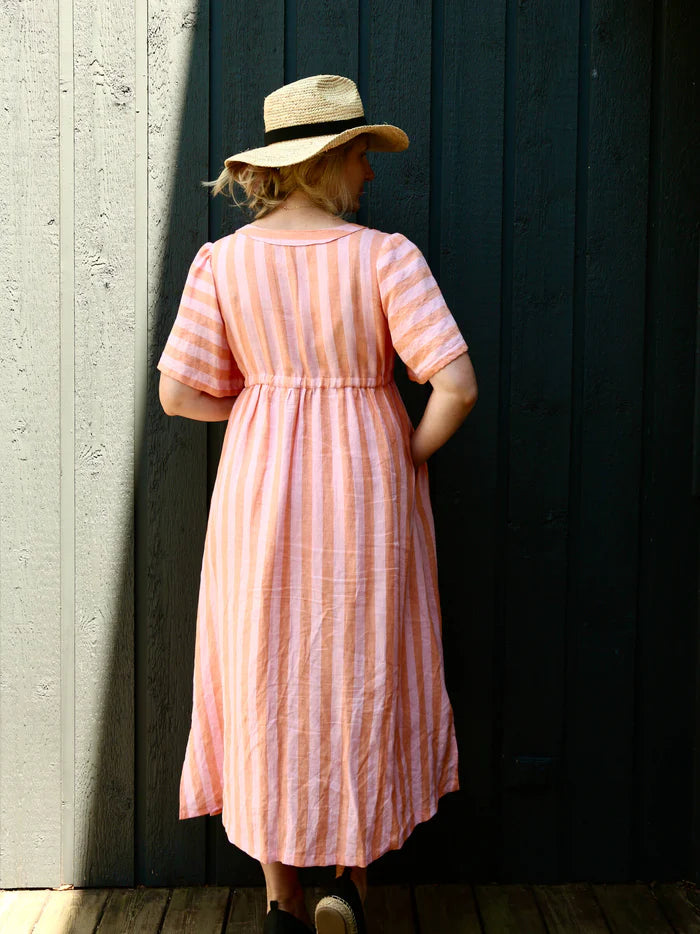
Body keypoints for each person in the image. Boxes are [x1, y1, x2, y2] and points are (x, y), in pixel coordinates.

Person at [157, 74, 478, 934]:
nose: (370, 173)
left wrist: (261, 403)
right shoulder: (385, 258)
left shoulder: (222, 262)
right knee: (361, 664)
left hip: (257, 490)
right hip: (368, 490)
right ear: (329, 161)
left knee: (262, 668)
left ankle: (280, 898)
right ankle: (348, 883)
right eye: (363, 155)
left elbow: (179, 395)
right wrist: (402, 453)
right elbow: (455, 385)